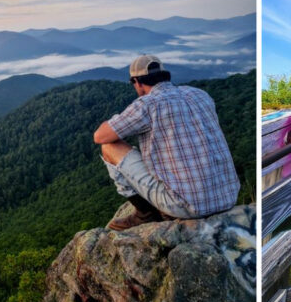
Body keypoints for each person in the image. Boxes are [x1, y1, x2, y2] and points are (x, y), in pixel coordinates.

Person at [93, 55, 240, 230]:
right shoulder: (201, 95)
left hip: (185, 206)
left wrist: (115, 119)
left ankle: (145, 214)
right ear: (165, 76)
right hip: (228, 198)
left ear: (137, 82)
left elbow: (100, 136)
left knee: (110, 147)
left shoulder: (147, 105)